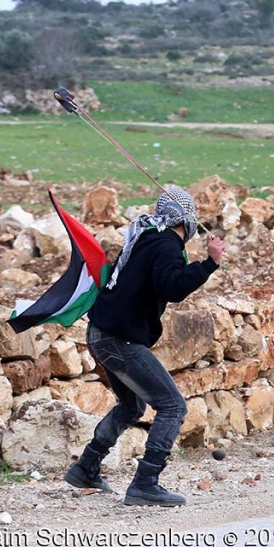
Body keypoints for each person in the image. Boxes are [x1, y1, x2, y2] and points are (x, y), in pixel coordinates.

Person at [66, 188, 225, 507]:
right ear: (187, 219)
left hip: (100, 333)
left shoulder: (147, 237)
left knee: (132, 406)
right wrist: (210, 263)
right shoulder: (166, 245)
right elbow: (173, 287)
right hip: (119, 340)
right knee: (173, 406)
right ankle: (145, 483)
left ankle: (86, 468)